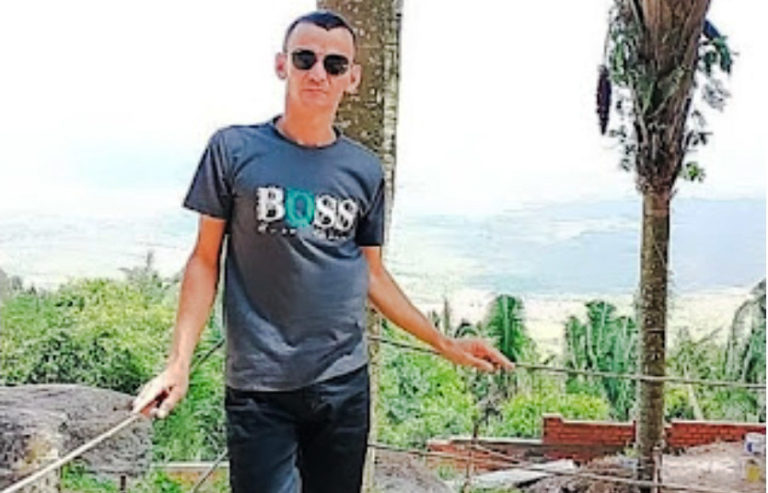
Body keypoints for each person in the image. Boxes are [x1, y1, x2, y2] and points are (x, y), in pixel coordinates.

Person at [131, 9, 514, 493]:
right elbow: (204, 260)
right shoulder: (233, 150)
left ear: (352, 79)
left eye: (334, 65)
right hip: (258, 387)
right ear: (281, 65)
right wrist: (179, 362)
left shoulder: (364, 171)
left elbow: (371, 273)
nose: (318, 73)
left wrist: (443, 343)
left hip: (343, 383)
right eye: (305, 58)